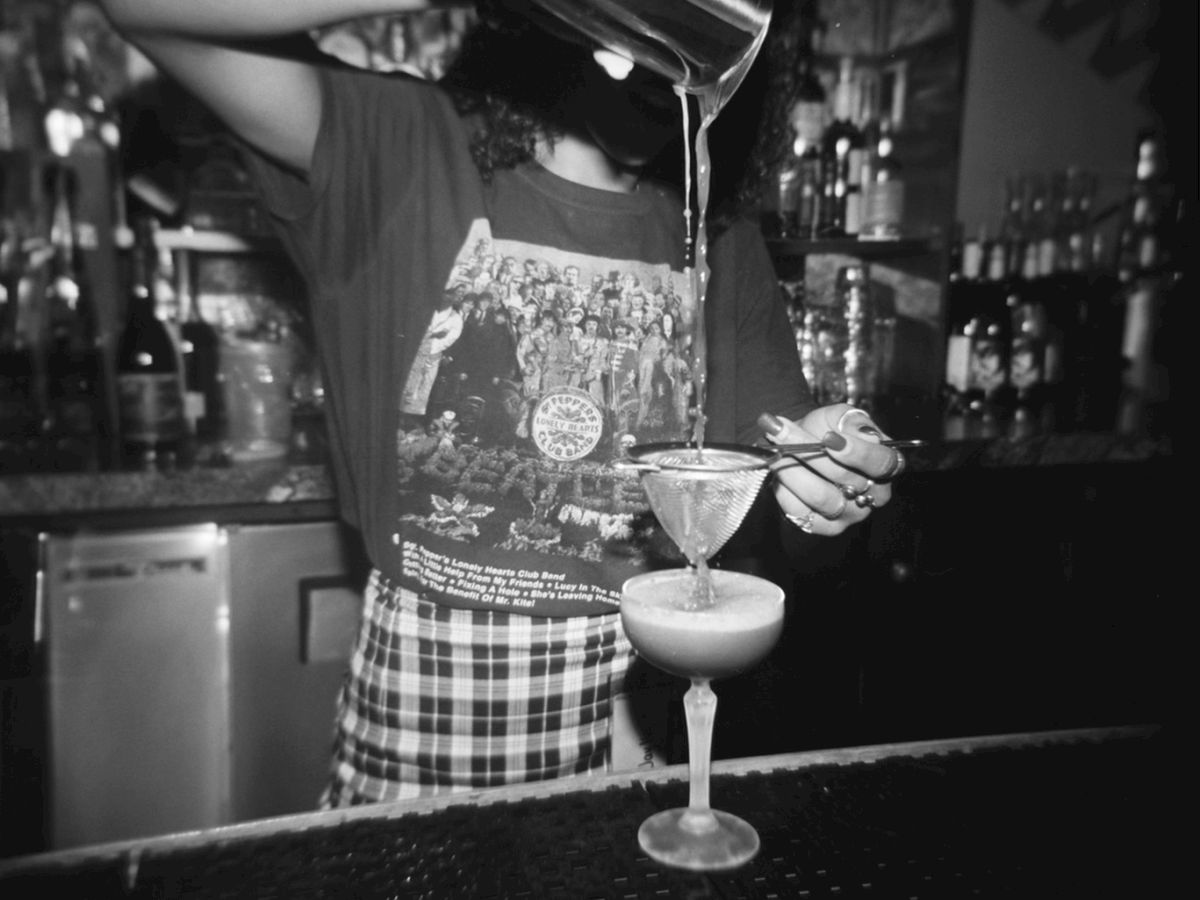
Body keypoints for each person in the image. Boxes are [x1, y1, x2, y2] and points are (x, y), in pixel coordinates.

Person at [100, 0, 908, 805]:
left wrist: (826, 488)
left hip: (638, 749)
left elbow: (795, 535)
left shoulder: (721, 236)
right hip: (419, 747)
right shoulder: (405, 149)